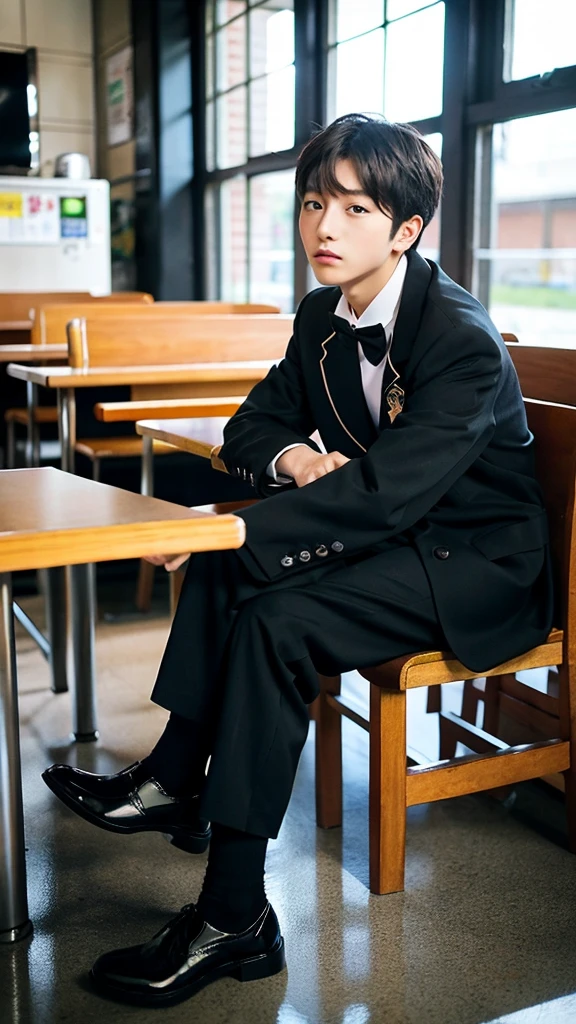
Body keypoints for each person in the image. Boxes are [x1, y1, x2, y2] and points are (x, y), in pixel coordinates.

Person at [43, 113, 553, 1008]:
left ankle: (233, 916)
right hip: (398, 533)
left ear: (405, 230)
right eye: (315, 202)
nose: (324, 226)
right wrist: (295, 461)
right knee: (224, 569)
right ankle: (174, 779)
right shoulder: (323, 312)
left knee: (271, 613)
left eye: (355, 209)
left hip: (472, 563)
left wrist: (228, 526)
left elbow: (389, 496)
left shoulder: (459, 338)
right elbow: (251, 428)